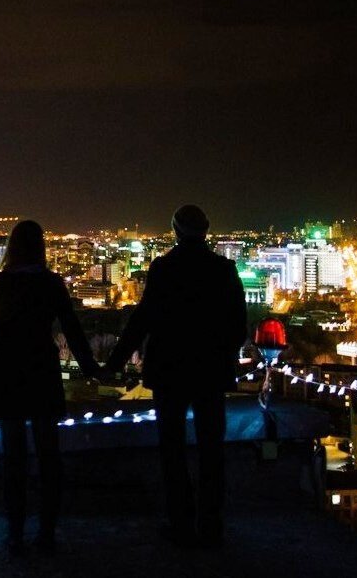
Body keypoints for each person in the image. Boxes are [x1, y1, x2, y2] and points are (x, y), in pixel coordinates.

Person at [105, 204, 247, 548]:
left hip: (170, 370)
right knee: (211, 449)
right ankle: (211, 524)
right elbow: (238, 325)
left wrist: (115, 362)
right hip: (210, 371)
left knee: (172, 449)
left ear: (176, 231)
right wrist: (223, 355)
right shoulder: (224, 269)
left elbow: (143, 319)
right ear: (206, 230)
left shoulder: (164, 268)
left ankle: (181, 523)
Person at [0, 220, 99, 555]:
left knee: (13, 460)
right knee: (48, 458)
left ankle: (15, 534)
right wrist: (91, 367)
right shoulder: (51, 282)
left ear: (11, 247)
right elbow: (71, 328)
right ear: (41, 247)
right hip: (42, 371)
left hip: (8, 373)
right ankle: (46, 533)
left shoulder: (1, 282)